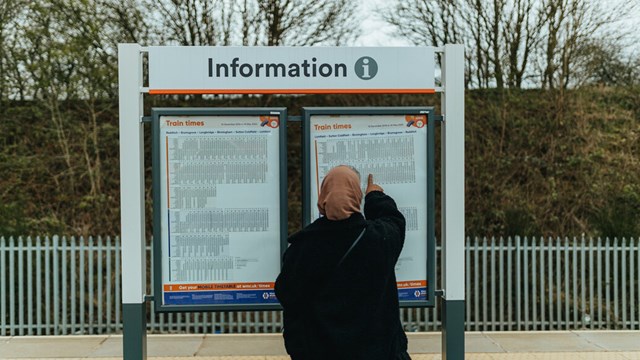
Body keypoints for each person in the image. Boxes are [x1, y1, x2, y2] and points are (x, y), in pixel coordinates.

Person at [275, 165, 410, 360]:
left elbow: (287, 295)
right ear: (356, 195)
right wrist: (375, 197)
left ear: (323, 198)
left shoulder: (302, 247)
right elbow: (394, 221)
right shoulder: (378, 239)